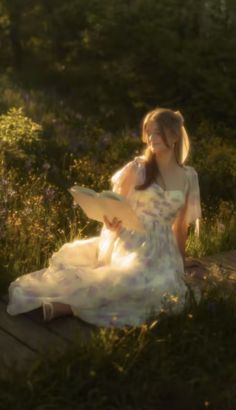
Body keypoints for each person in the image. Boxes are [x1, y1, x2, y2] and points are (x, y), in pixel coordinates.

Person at [6, 107, 202, 328]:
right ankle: (67, 304)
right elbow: (115, 205)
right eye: (148, 132)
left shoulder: (188, 176)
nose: (151, 138)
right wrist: (111, 221)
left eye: (158, 133)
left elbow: (180, 226)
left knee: (165, 291)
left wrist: (181, 260)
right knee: (131, 278)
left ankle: (71, 307)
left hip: (163, 248)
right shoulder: (138, 168)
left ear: (174, 135)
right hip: (132, 238)